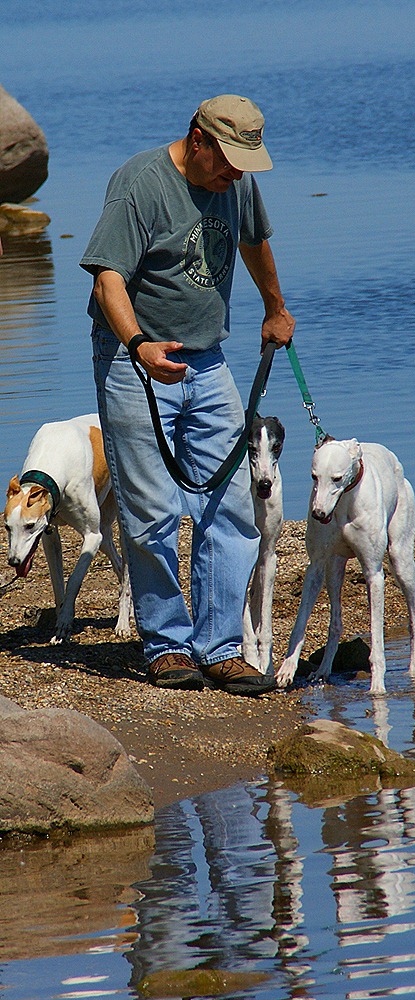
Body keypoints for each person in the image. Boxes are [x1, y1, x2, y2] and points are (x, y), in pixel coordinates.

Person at [80, 94, 295, 695]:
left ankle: (220, 646)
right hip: (136, 360)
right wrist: (139, 345)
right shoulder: (139, 183)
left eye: (244, 163)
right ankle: (168, 644)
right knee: (153, 510)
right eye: (226, 159)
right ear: (197, 139)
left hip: (210, 359)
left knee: (231, 504)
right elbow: (107, 278)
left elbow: (253, 241)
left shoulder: (236, 181)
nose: (234, 173)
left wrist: (275, 307)